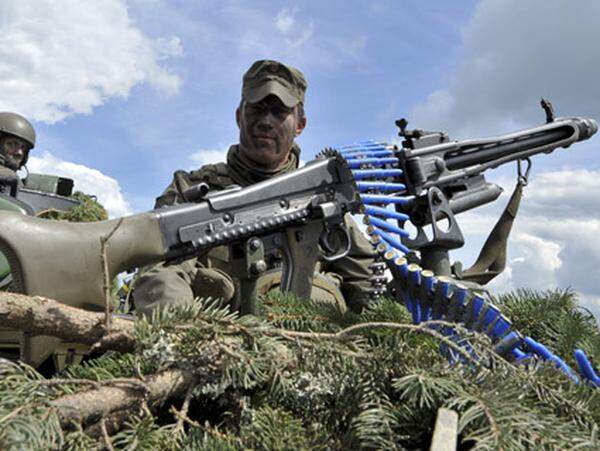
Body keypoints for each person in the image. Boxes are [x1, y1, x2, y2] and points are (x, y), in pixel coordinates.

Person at [133, 60, 376, 316]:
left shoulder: (323, 200)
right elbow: (160, 271)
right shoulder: (192, 190)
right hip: (215, 339)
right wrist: (183, 339)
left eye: (279, 112)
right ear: (239, 116)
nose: (265, 121)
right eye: (256, 109)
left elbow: (367, 281)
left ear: (300, 124)